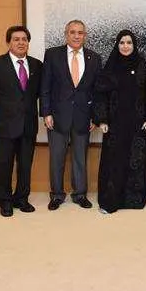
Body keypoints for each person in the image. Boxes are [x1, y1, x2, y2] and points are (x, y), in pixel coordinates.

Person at [94, 30, 146, 214]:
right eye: (122, 43)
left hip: (138, 125)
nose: (125, 46)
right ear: (117, 45)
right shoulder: (109, 67)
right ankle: (111, 201)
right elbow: (100, 95)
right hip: (114, 126)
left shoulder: (142, 66)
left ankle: (134, 200)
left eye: (129, 43)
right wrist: (101, 120)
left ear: (134, 45)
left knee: (136, 161)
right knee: (114, 162)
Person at [40, 20, 102, 211]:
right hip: (57, 116)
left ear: (85, 35)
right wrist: (46, 113)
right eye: (73, 32)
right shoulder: (52, 55)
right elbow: (45, 86)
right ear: (66, 34)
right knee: (56, 157)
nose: (76, 36)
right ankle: (57, 195)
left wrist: (95, 116)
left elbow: (96, 91)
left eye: (80, 33)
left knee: (79, 157)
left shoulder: (94, 58)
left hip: (83, 116)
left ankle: (80, 194)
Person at [0, 26, 42, 217]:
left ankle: (22, 199)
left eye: (24, 39)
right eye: (16, 39)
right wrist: (2, 110)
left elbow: (39, 93)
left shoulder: (37, 65)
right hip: (4, 124)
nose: (21, 42)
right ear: (8, 42)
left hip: (28, 124)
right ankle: (5, 201)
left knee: (25, 164)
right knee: (4, 164)